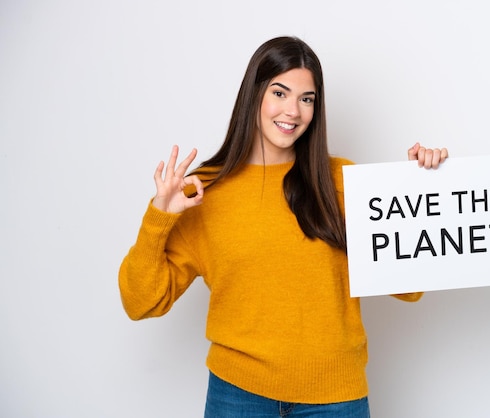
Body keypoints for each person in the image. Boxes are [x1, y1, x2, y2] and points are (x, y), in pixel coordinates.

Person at [119, 36, 448, 417]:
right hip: (236, 396)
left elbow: (410, 290)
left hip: (334, 399)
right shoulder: (203, 191)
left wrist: (417, 194)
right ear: (254, 94)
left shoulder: (342, 181)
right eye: (280, 92)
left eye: (306, 99)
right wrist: (160, 215)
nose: (293, 111)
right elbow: (140, 301)